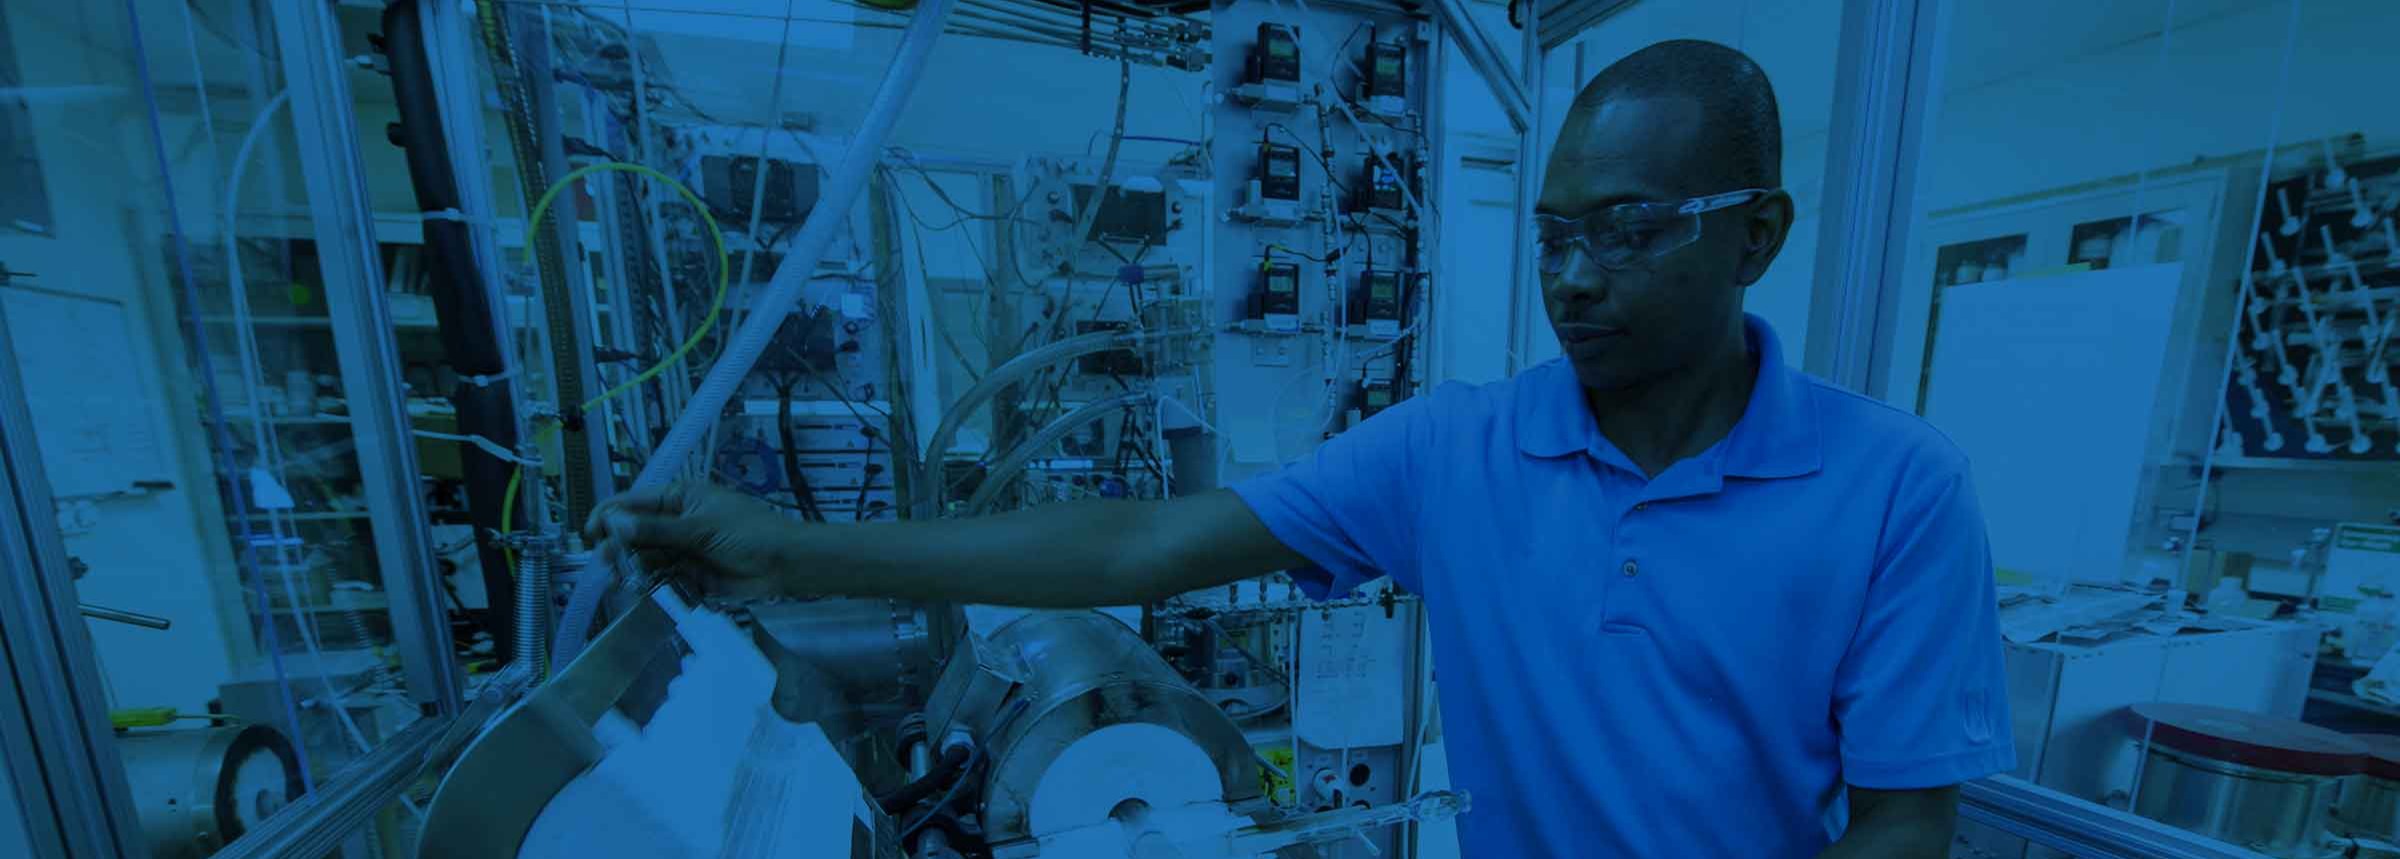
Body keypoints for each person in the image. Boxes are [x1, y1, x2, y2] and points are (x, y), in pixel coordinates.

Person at [589, 39, 2014, 859]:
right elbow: (1142, 542)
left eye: (1627, 230)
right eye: (1553, 236)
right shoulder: (1459, 451)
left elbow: (1901, 832)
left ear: (1754, 234)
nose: (1574, 276)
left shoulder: (1895, 492)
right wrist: (793, 549)